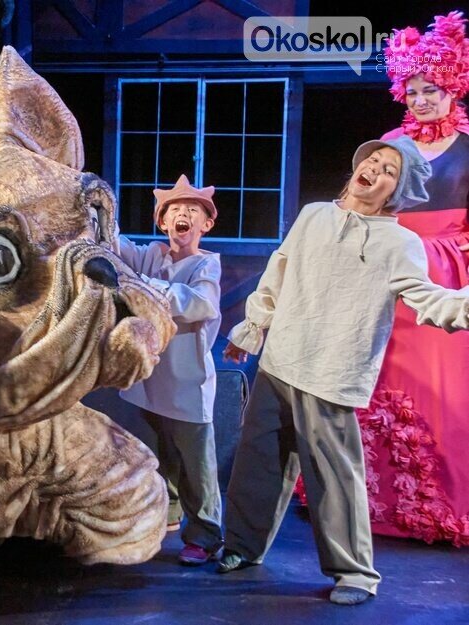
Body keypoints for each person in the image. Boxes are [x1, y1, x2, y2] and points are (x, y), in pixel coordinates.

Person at [219, 136, 469, 606]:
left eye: (389, 170)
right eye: (373, 160)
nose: (375, 168)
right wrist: (251, 329)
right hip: (280, 361)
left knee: (335, 479)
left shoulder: (400, 242)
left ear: (397, 192)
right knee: (259, 463)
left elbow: (428, 299)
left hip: (332, 373)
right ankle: (242, 547)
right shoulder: (314, 215)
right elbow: (278, 271)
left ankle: (355, 573)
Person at [356, 10, 469, 545]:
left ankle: (443, 501)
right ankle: (379, 501)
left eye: (432, 90)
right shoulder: (391, 144)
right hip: (394, 264)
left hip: (447, 269)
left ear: (453, 89)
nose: (422, 100)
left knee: (443, 382)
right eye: (414, 91)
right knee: (386, 373)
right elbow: (367, 204)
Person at [114, 174, 224, 566]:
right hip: (153, 379)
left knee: (197, 464)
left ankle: (206, 535)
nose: (184, 215)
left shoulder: (206, 264)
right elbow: (114, 245)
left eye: (193, 210)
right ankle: (171, 514)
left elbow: (200, 304)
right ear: (163, 222)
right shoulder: (152, 255)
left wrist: (142, 287)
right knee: (164, 454)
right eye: (175, 209)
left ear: (205, 224)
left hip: (187, 382)